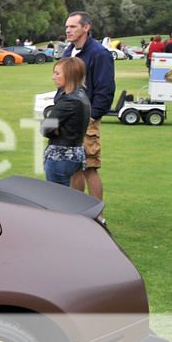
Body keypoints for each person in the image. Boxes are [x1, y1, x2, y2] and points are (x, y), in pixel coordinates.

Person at [61, 12, 114, 201]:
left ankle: (98, 217)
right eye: (67, 26)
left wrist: (93, 116)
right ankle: (77, 212)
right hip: (69, 119)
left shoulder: (100, 53)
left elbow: (106, 90)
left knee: (90, 167)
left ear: (86, 28)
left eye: (73, 26)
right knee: (74, 167)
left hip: (87, 119)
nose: (68, 30)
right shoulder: (68, 52)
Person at [41, 57, 91, 187]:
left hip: (61, 156)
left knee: (56, 198)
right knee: (64, 197)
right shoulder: (81, 95)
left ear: (69, 75)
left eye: (57, 73)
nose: (53, 77)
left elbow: (45, 128)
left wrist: (54, 129)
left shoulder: (69, 100)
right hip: (74, 153)